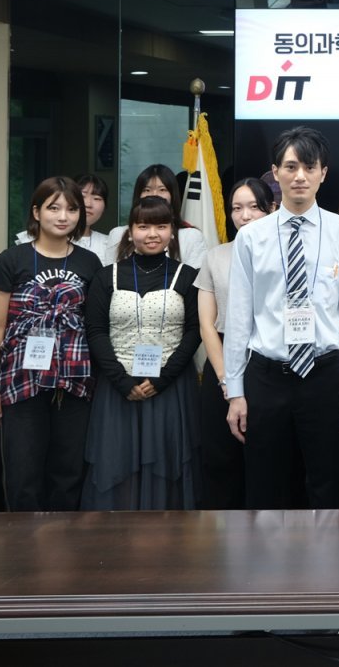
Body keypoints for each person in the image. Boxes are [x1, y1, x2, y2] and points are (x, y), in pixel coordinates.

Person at [224, 126, 339, 509]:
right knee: (266, 485)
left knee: (329, 484)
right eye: (290, 167)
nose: (300, 176)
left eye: (309, 166)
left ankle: (327, 568)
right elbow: (239, 318)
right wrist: (235, 392)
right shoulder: (251, 237)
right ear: (275, 173)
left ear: (323, 172)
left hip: (326, 376)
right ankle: (267, 568)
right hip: (267, 377)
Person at [0, 177, 104, 510]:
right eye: (54, 208)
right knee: (23, 474)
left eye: (71, 209)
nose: (63, 216)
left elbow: (95, 326)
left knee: (68, 472)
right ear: (36, 212)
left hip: (74, 382)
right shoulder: (12, 259)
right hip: (22, 381)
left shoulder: (89, 263)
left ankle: (63, 553)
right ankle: (23, 553)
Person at [81, 196, 201, 509]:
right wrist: (121, 380)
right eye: (143, 225)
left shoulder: (188, 276)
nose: (152, 233)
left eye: (161, 226)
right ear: (130, 231)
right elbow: (95, 331)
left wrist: (163, 378)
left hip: (170, 387)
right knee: (116, 464)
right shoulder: (107, 276)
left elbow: (194, 332)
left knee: (167, 463)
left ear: (172, 231)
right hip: (117, 388)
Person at [193, 177, 274, 509]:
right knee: (221, 457)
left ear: (272, 210)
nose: (245, 215)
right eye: (237, 208)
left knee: (267, 457)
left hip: (269, 360)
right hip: (223, 360)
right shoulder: (216, 256)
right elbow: (207, 325)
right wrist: (226, 378)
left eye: (254, 207)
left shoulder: (286, 256)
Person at [106, 164, 208, 268]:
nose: (154, 194)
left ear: (173, 195)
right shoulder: (118, 234)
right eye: (147, 190)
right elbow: (110, 276)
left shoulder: (191, 236)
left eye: (162, 190)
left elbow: (194, 279)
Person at [16, 173, 115, 260]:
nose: (88, 204)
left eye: (97, 198)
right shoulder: (27, 244)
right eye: (82, 196)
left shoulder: (109, 244)